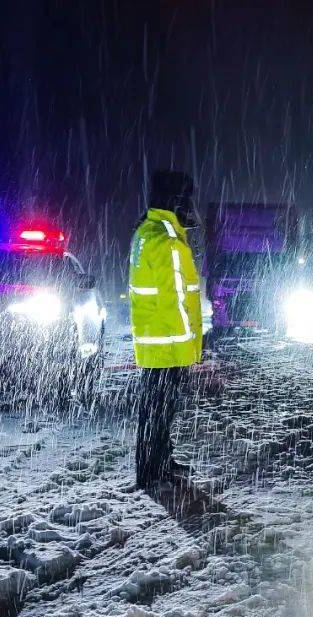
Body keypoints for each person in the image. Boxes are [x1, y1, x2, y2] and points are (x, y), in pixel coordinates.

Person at [129, 170, 203, 491]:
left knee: (155, 411)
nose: (189, 206)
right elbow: (175, 302)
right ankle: (152, 471)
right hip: (168, 345)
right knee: (159, 412)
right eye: (185, 199)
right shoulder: (166, 242)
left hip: (154, 341)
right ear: (175, 202)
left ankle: (158, 462)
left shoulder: (147, 233)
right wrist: (190, 349)